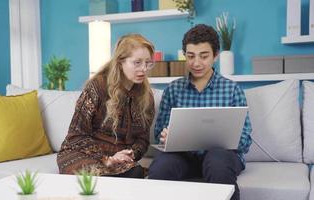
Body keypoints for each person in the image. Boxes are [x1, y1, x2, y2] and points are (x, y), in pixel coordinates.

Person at [148, 24, 252, 200]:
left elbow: (245, 139)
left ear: (215, 55)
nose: (196, 63)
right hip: (183, 157)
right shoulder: (173, 90)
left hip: (221, 158)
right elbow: (159, 133)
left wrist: (227, 140)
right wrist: (165, 136)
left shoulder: (232, 89)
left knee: (217, 162)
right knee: (160, 167)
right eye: (190, 56)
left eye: (203, 56)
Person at [57, 34, 155, 178]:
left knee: (135, 172)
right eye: (137, 62)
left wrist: (131, 154)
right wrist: (105, 159)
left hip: (119, 158)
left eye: (148, 63)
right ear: (121, 62)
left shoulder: (146, 96)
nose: (144, 69)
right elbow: (76, 134)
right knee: (96, 174)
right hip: (81, 153)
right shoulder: (97, 87)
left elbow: (143, 139)